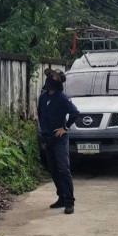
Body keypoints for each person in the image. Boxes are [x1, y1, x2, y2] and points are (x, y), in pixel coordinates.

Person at [37, 69, 79, 214]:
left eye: (53, 76)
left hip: (59, 140)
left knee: (63, 169)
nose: (49, 77)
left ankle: (69, 201)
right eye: (49, 75)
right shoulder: (43, 97)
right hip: (47, 139)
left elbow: (75, 113)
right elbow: (40, 114)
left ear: (59, 81)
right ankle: (61, 197)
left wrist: (65, 127)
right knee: (53, 170)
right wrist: (42, 131)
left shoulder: (62, 98)